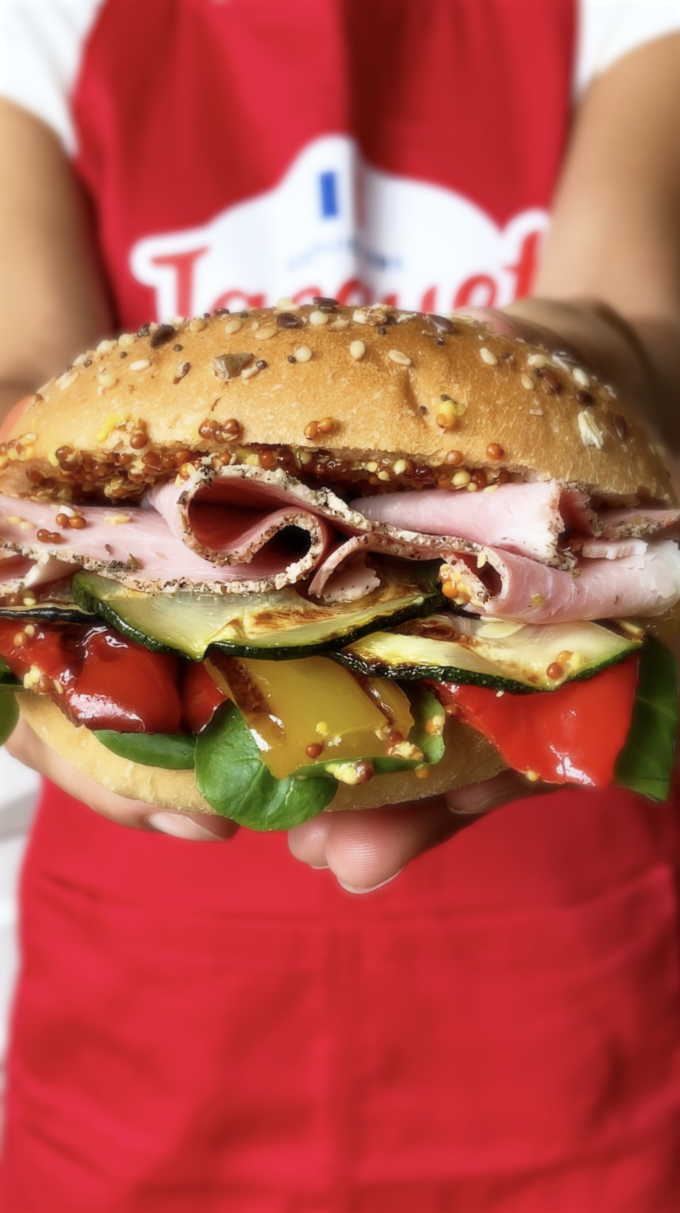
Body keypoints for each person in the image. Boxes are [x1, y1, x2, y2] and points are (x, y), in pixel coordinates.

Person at [1, 2, 680, 1209]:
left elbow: (636, 312)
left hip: (566, 990)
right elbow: (20, 374)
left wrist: (596, 348)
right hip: (139, 1007)